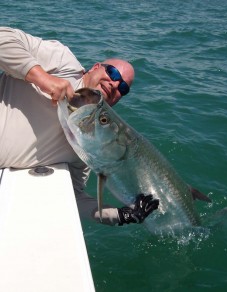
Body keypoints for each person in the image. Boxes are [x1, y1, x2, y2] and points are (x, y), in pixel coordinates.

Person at [0, 26, 159, 226]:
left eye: (123, 88)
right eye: (112, 72)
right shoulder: (63, 62)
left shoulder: (89, 148)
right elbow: (2, 36)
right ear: (94, 67)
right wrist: (44, 79)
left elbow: (74, 196)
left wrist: (120, 215)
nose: (115, 84)